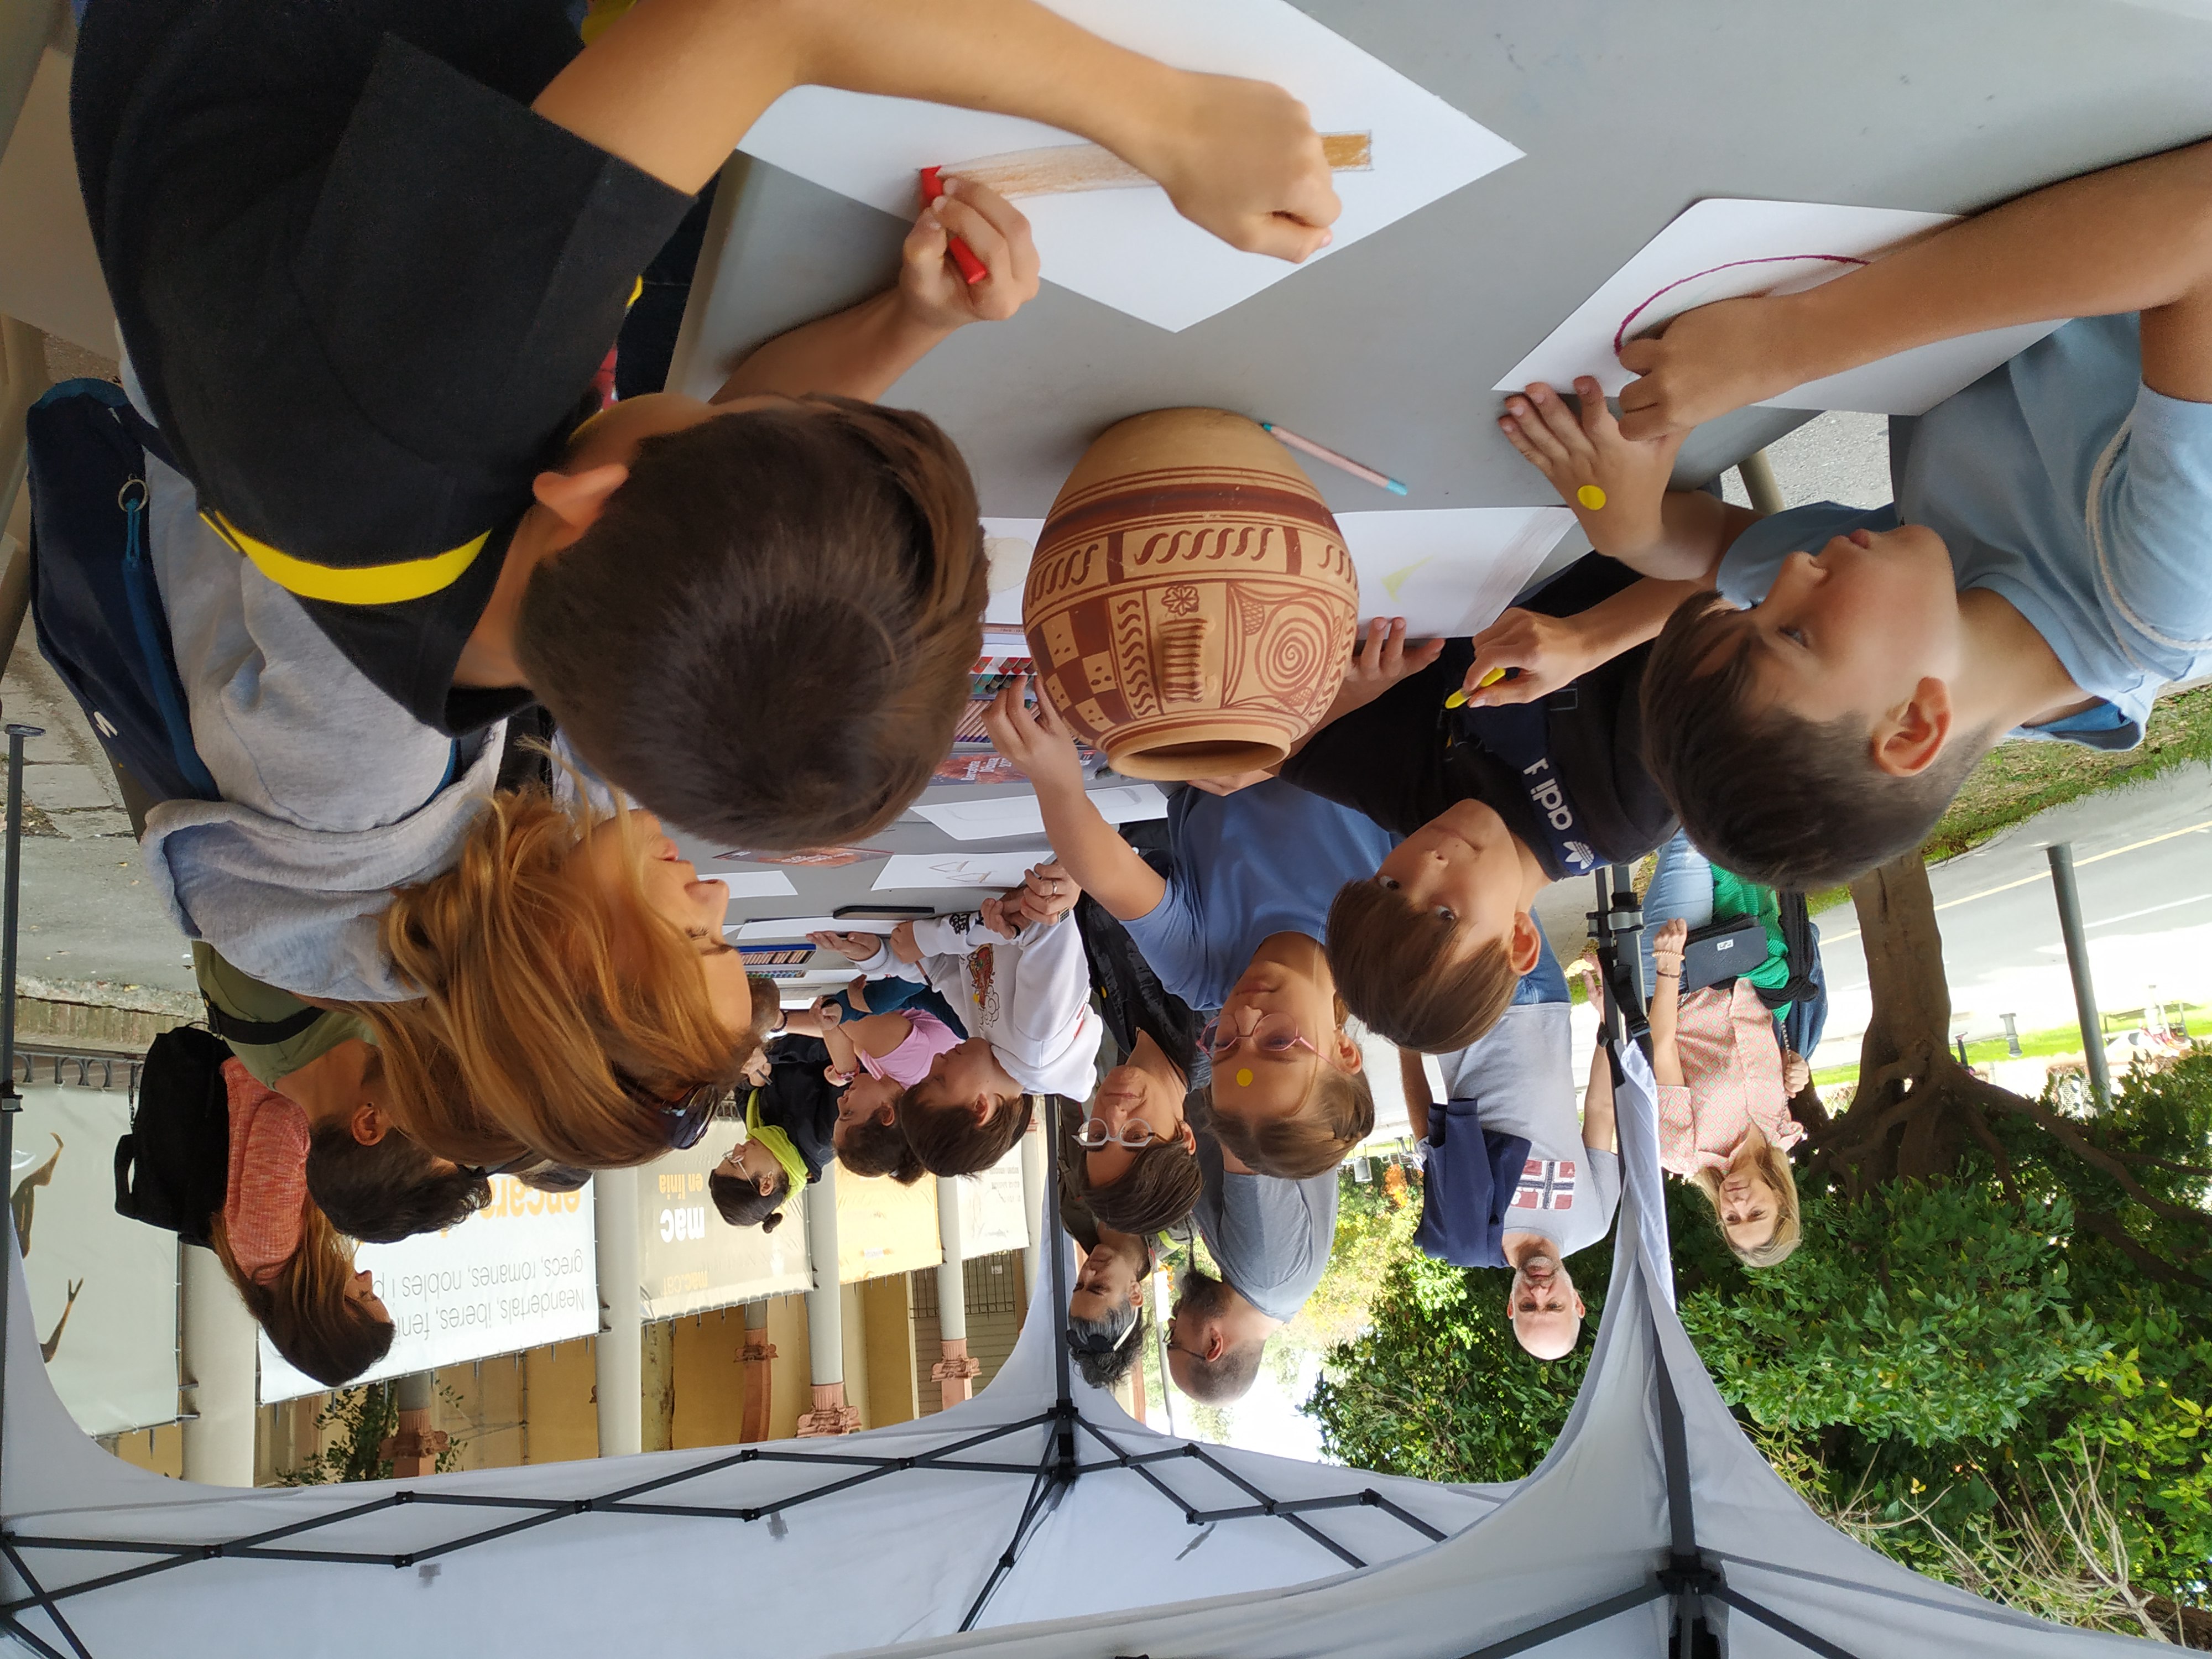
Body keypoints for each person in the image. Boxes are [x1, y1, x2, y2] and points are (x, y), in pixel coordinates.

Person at [72, 0, 1339, 851]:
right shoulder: (542, 639)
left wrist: (1172, 120)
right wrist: (909, 325)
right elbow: (724, 428)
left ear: (583, 504)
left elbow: (763, 19)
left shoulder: (435, 380)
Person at [1494, 139, 2212, 890]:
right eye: (1793, 631)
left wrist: (1631, 529)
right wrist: (1790, 342)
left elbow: (1709, 552)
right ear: (1913, 727)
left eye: (1758, 608)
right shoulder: (2165, 601)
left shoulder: (1926, 616)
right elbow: (2199, 222)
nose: (1796, 572)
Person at [1277, 561, 1683, 1053]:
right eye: (1445, 914)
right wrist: (1587, 639)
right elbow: (1742, 574)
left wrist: (1356, 690)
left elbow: (1286, 750)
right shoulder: (1628, 811)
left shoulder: (1428, 811)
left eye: (1390, 884)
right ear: (1519, 941)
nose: (1426, 862)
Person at [982, 679, 1380, 1178]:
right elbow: (1406, 769)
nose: (1248, 1015)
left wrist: (1054, 781)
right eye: (1280, 1043)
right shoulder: (1380, 931)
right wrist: (1285, 752)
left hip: (1202, 719)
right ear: (1344, 1051)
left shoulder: (1202, 976)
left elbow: (1110, 876)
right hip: (1327, 690)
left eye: (1227, 1043)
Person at [1398, 945, 1621, 1359]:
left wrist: (1404, 1042)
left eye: (1527, 1307)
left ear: (1510, 1305)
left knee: (1448, 903)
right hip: (1548, 1005)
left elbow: (1426, 1134)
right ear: (1577, 1302)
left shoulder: (1463, 1235)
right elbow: (1601, 1110)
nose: (1539, 1292)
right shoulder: (1594, 1224)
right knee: (1512, 890)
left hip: (1465, 1016)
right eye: (1553, 1306)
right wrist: (1608, 1026)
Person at [195, 943, 488, 1243]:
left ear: (370, 1122)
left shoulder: (266, 996)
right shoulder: (360, 1052)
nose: (444, 1098)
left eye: (435, 1121)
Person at [812, 881, 1096, 1177]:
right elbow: (1045, 918)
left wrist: (880, 957)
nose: (935, 1062)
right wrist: (929, 938)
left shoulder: (986, 1046)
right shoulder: (1038, 1041)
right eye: (940, 1079)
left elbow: (941, 970)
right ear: (980, 1107)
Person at [209, 1058, 395, 1386]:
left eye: (364, 1296)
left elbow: (283, 1123)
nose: (367, 1277)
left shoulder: (269, 1247)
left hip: (273, 1059)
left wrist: (354, 1145)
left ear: (327, 1314)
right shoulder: (276, 1263)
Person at [1647, 919, 1807, 1267]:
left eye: (1733, 1219)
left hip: (1687, 970)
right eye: (1756, 1213)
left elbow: (1661, 1048)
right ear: (1780, 1197)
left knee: (1688, 863)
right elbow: (1764, 1042)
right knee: (1750, 866)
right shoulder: (1781, 1131)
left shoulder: (1684, 1151)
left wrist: (1670, 964)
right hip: (1752, 957)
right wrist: (1795, 1065)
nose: (1737, 1205)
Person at [1163, 1125, 1337, 1404]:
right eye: (1174, 1340)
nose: (1171, 1322)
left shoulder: (1250, 1282)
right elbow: (1241, 1120)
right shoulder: (1265, 1271)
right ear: (1213, 1345)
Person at [708, 1037, 839, 1232]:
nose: (737, 1148)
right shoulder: (826, 1137)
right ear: (767, 1184)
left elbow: (742, 1089)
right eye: (738, 1162)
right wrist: (771, 1055)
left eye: (729, 1155)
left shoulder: (759, 1131)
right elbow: (842, 1052)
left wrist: (753, 1081)